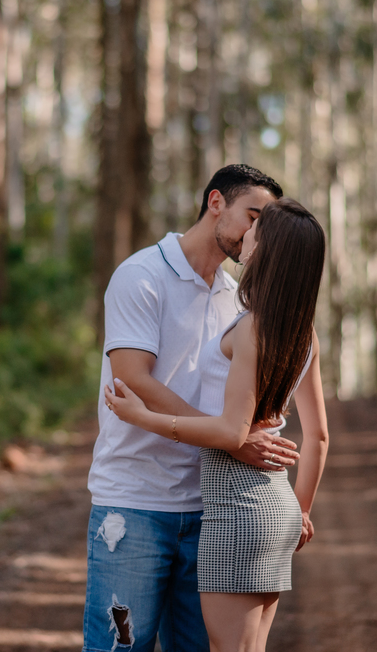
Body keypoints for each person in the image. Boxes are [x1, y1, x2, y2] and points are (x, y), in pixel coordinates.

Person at [83, 165, 299, 652]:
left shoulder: (236, 299)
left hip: (212, 511)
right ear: (216, 202)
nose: (255, 231)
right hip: (134, 505)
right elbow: (132, 378)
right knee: (122, 646)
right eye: (253, 215)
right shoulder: (142, 275)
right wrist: (233, 438)